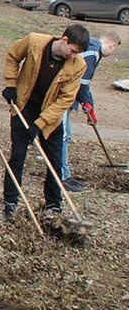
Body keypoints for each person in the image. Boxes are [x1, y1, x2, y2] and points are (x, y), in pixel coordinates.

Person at [1, 24, 90, 220]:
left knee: (54, 161)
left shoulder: (78, 65)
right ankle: (10, 202)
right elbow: (13, 56)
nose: (74, 56)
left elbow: (66, 99)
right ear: (64, 40)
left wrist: (39, 124)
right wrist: (11, 84)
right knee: (17, 157)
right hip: (24, 107)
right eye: (73, 51)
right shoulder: (34, 42)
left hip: (50, 117)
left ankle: (53, 205)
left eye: (78, 53)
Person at [60, 31, 121, 191]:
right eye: (114, 49)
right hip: (61, 95)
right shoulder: (92, 53)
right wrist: (87, 105)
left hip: (66, 95)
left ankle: (64, 174)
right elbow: (82, 83)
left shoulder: (90, 48)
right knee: (63, 136)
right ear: (112, 45)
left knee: (65, 135)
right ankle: (62, 177)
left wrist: (88, 104)